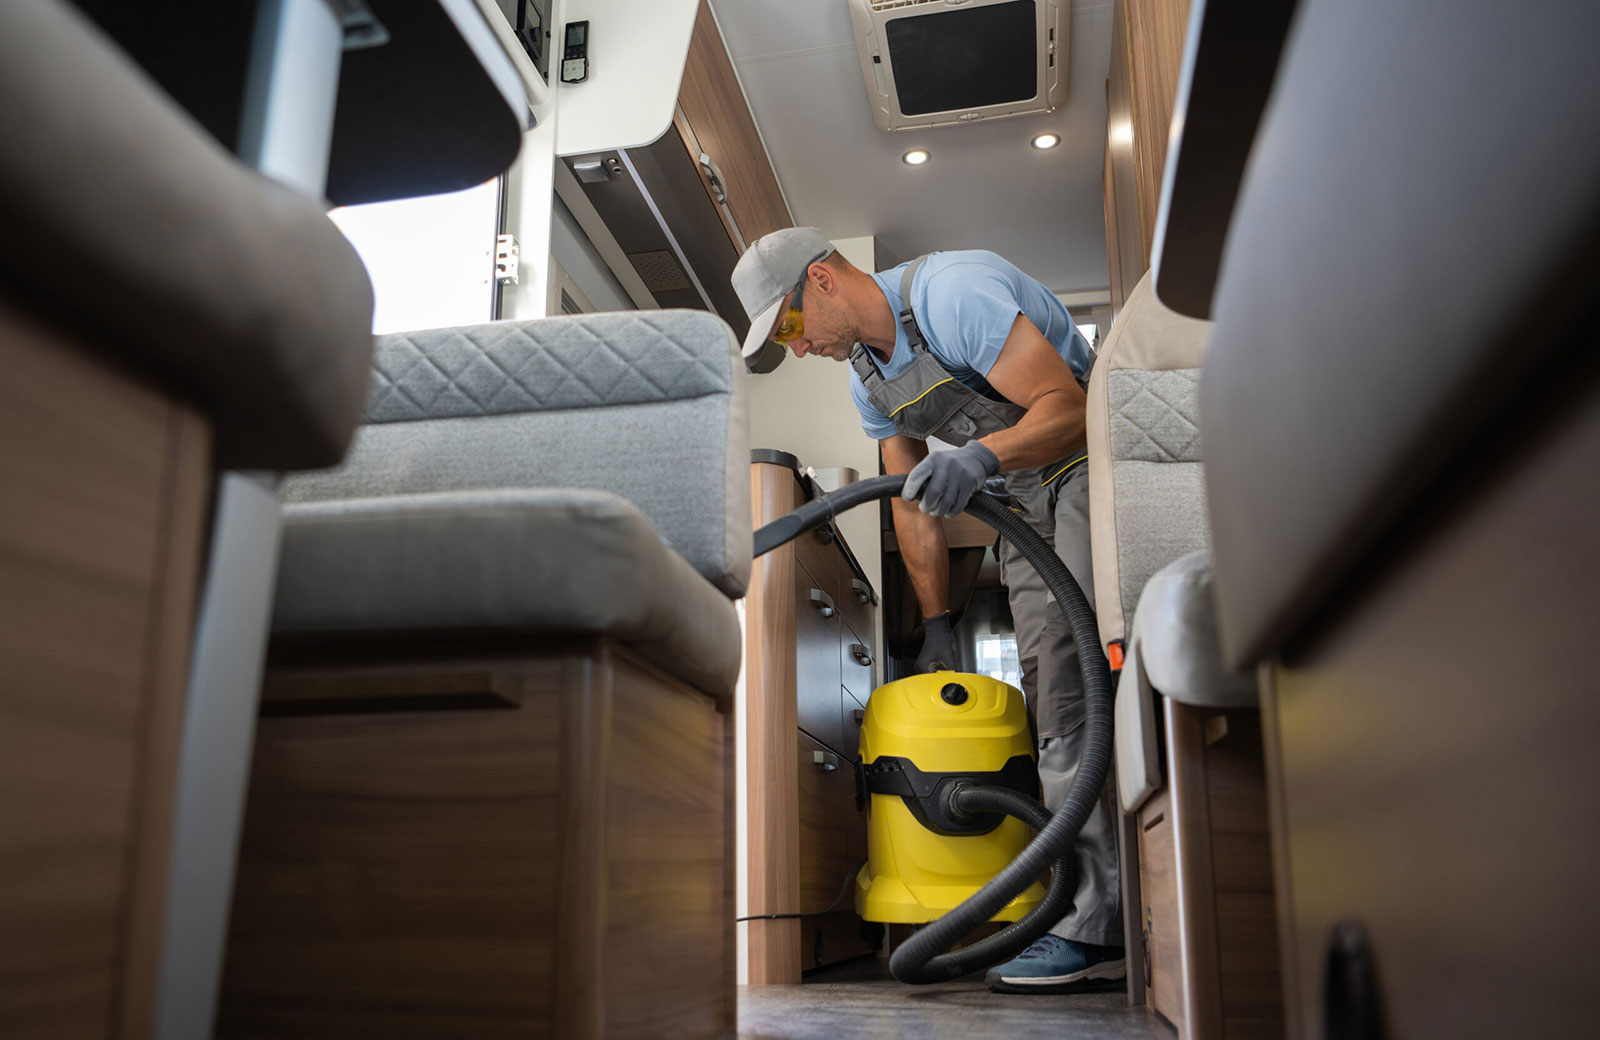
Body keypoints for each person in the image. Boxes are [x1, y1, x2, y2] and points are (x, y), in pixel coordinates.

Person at [731, 228, 1124, 992]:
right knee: (1053, 690)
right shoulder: (865, 381)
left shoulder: (952, 296)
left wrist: (979, 457)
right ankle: (1087, 913)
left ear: (823, 280)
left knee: (1075, 687)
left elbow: (1068, 407)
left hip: (1081, 471)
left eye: (788, 325)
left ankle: (1092, 926)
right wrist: (937, 624)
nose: (798, 346)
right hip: (1024, 501)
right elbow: (910, 506)